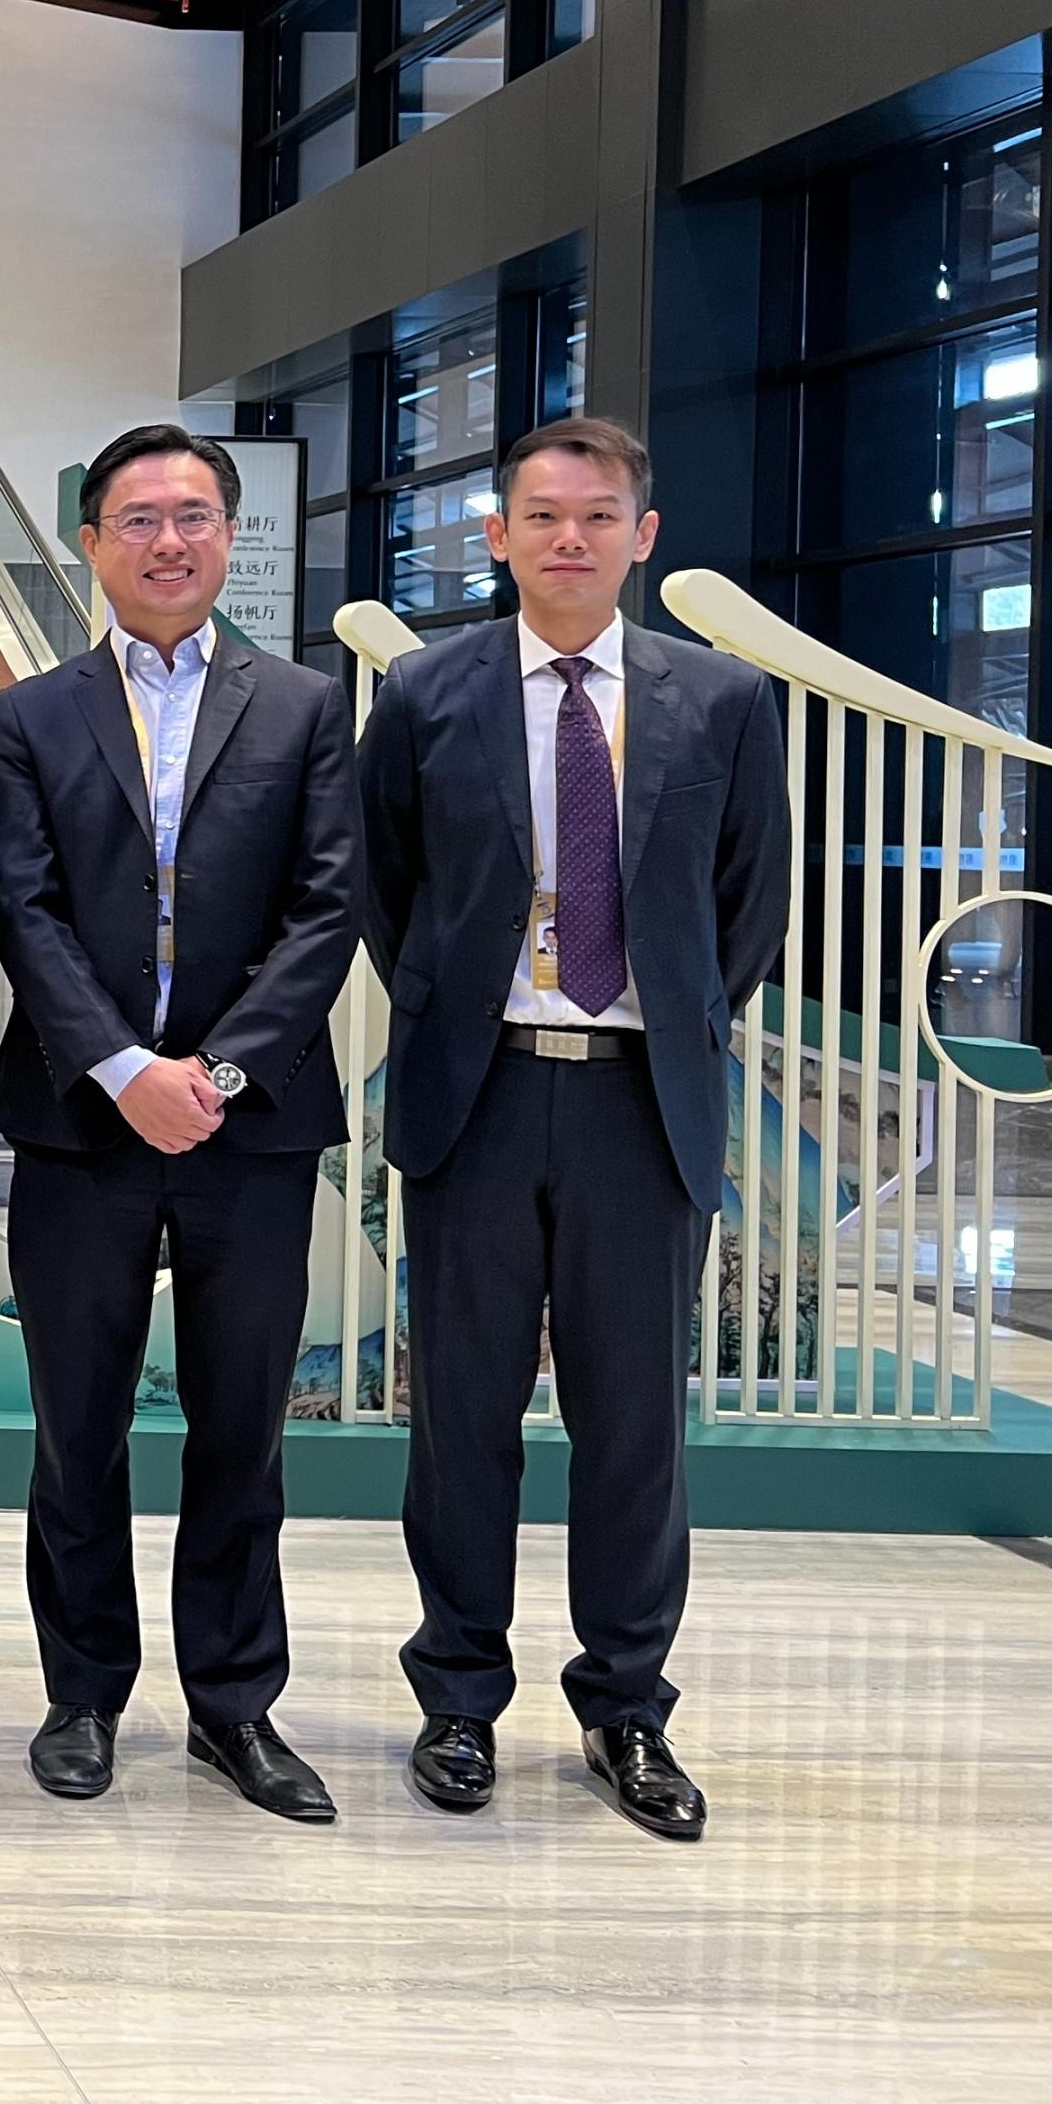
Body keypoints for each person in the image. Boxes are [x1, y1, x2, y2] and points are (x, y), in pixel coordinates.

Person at [361, 415, 788, 1843]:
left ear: (643, 535)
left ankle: (626, 1709)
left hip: (637, 1101)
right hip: (476, 1096)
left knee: (633, 1430)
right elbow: (389, 890)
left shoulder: (722, 701)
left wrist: (656, 1015)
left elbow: (748, 905)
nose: (568, 539)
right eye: (540, 515)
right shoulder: (424, 695)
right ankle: (459, 1699)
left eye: (598, 516)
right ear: (495, 534)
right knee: (464, 1418)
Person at [0, 426, 364, 1824]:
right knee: (75, 1425)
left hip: (248, 1132)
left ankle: (233, 1705)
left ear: (229, 534)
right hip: (82, 1127)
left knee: (240, 1428)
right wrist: (121, 1066)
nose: (166, 541)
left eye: (193, 515)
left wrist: (219, 1072)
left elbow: (329, 909)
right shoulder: (30, 714)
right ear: (92, 544)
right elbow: (20, 909)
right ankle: (82, 1691)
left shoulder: (307, 705)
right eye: (136, 518)